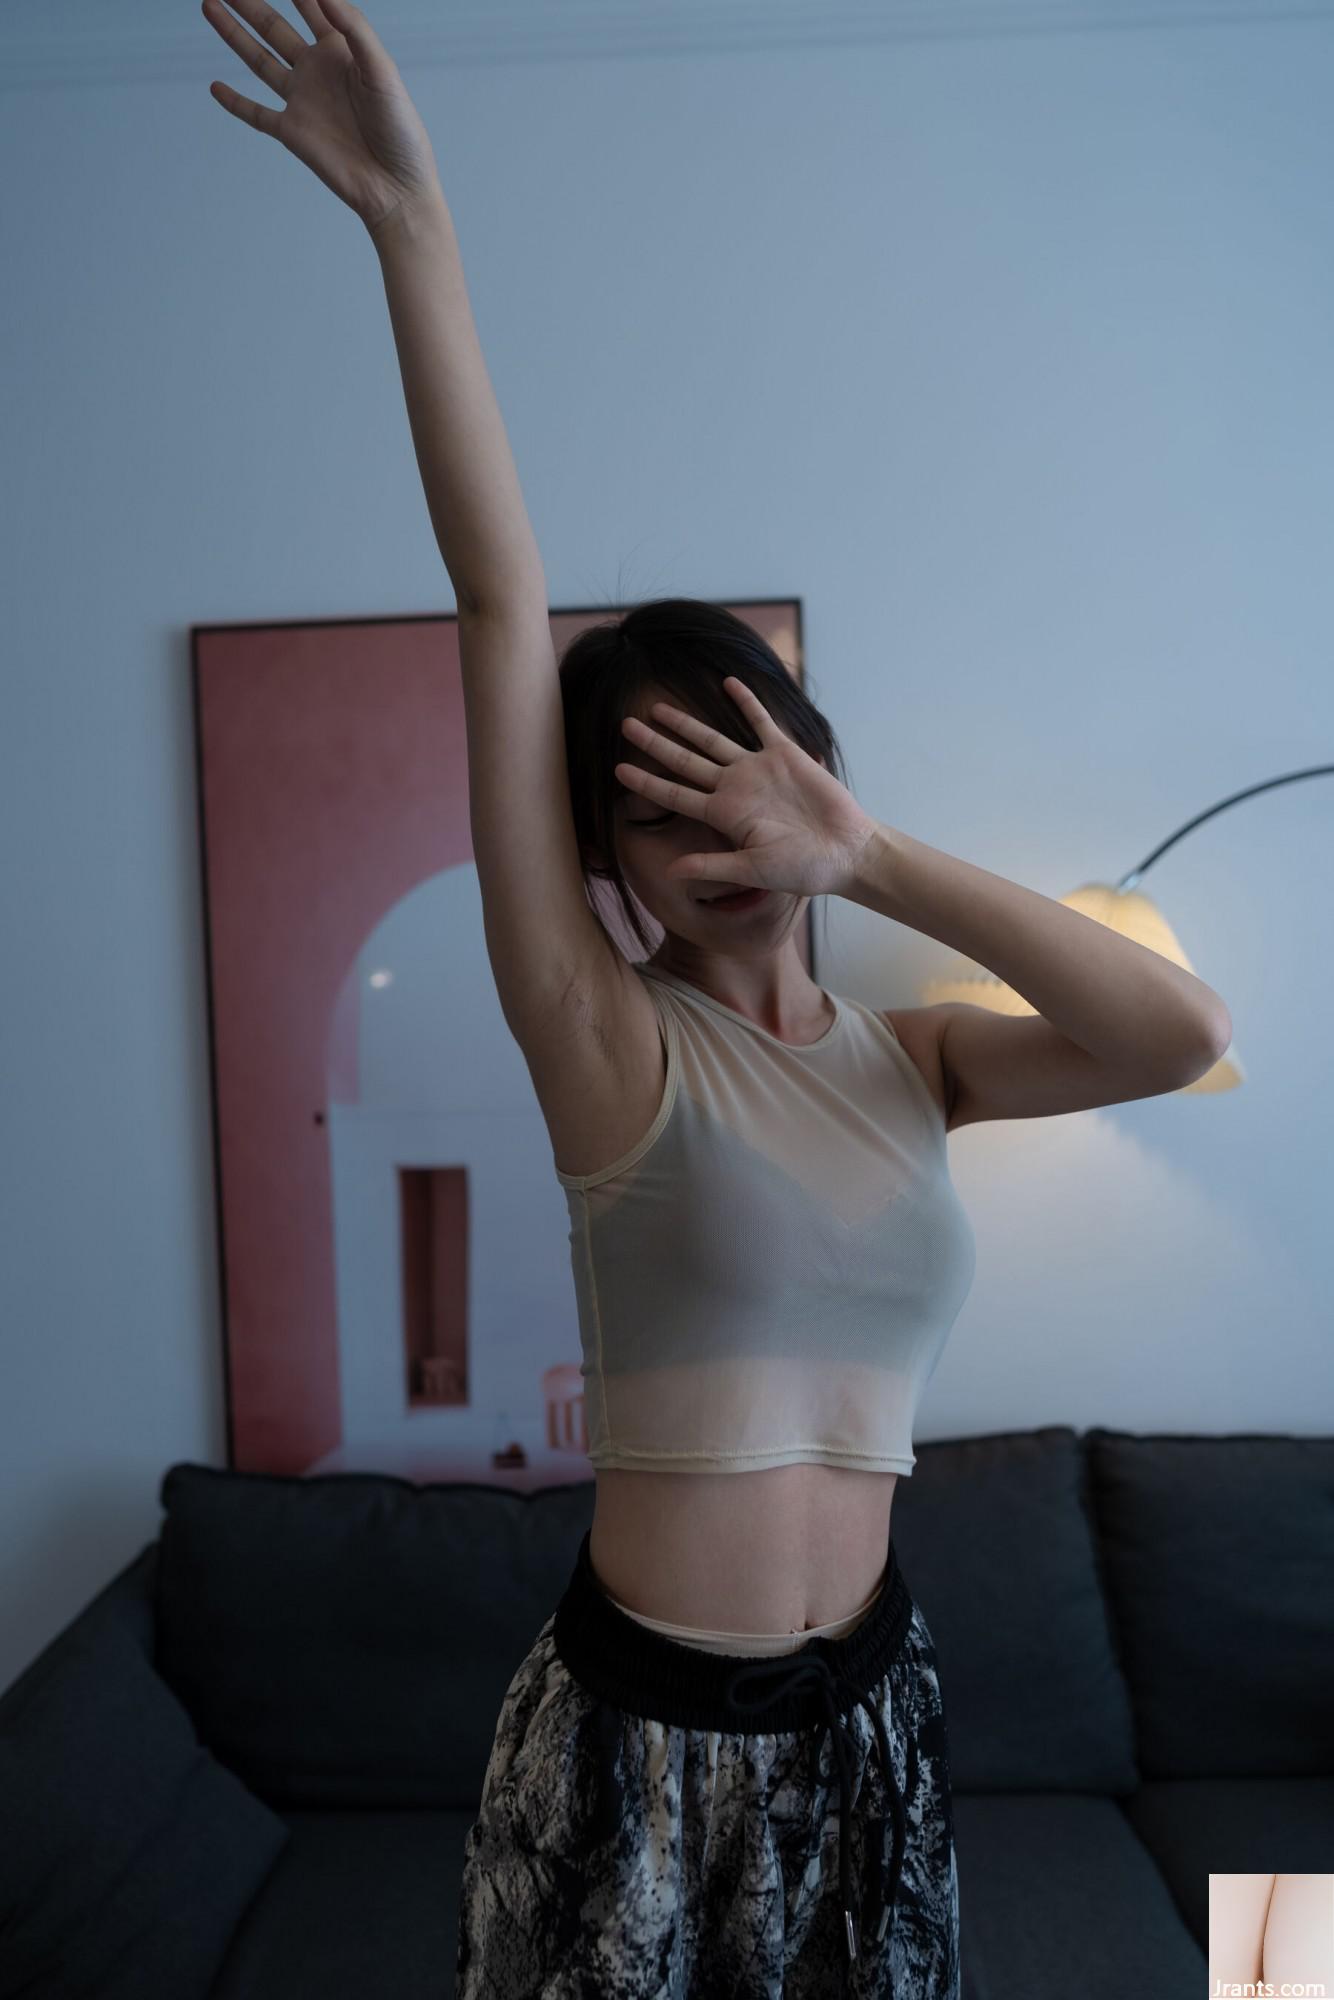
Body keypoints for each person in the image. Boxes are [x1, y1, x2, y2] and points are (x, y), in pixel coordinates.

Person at [201, 5, 970, 1991]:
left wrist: (868, 858)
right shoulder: (606, 1039)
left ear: (811, 771)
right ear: (601, 862)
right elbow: (499, 601)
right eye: (647, 803)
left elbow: (1179, 1035)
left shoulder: (919, 1057)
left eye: (736, 772)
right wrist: (409, 222)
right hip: (637, 1740)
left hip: (873, 1719)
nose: (705, 828)